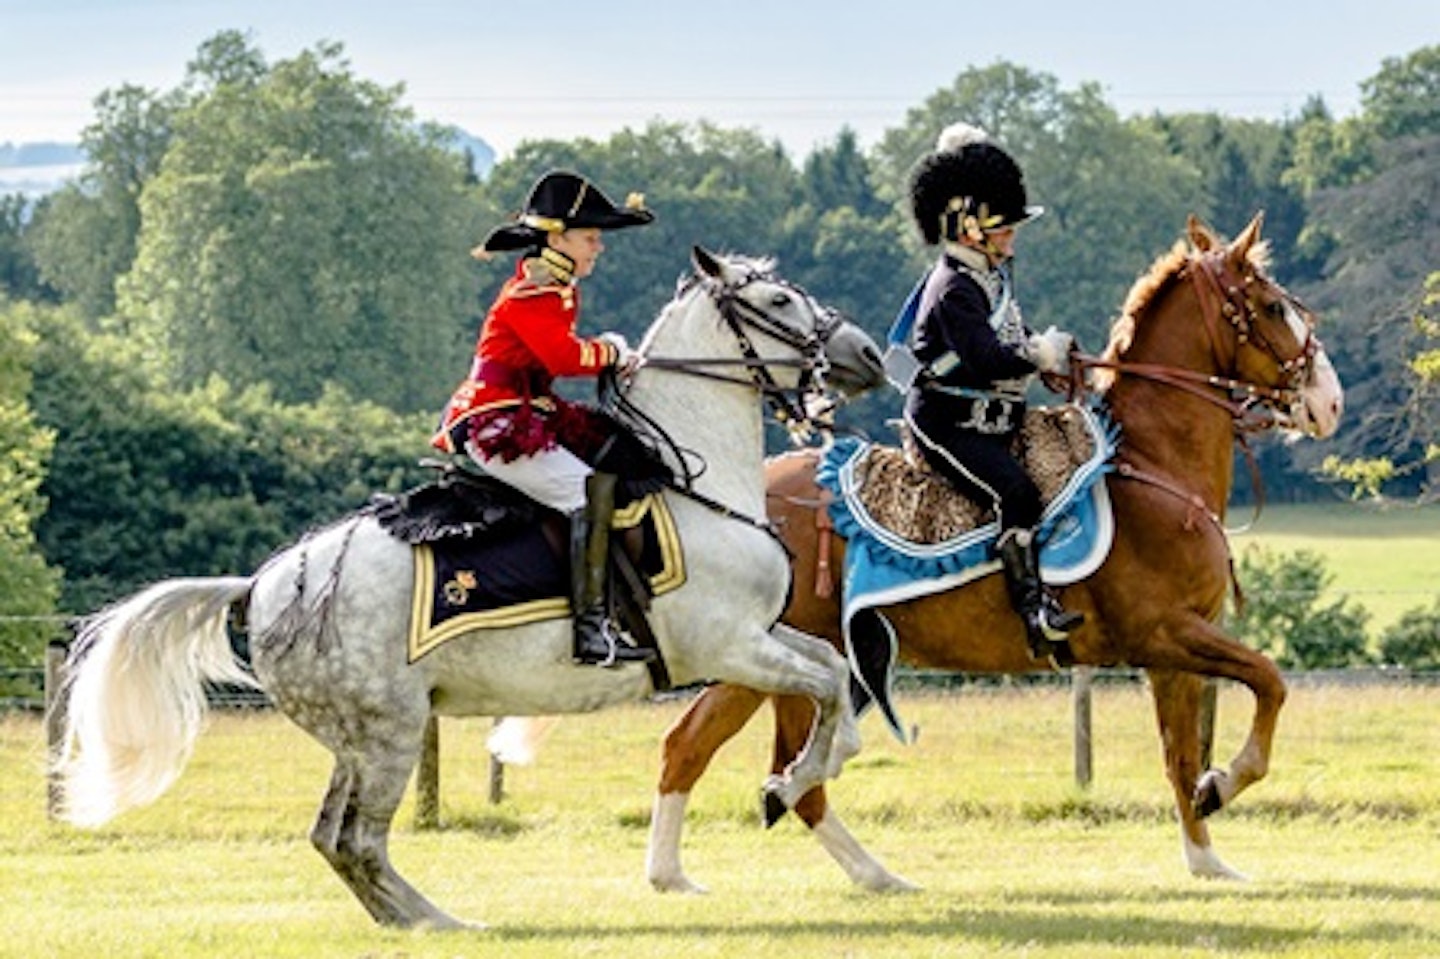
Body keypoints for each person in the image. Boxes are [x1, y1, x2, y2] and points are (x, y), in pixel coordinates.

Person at [433, 169, 656, 667]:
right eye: (590, 237)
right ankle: (590, 630)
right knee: (583, 494)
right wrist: (614, 352)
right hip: (496, 420)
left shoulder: (552, 285)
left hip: (524, 411)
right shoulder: (534, 293)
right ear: (557, 237)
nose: (599, 247)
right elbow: (562, 358)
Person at [900, 123, 1084, 661]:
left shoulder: (990, 278)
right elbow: (983, 359)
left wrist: (1049, 363)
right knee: (1017, 492)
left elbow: (1005, 346)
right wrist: (1037, 355)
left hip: (993, 420)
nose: (1013, 235)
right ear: (971, 229)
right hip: (947, 426)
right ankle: (1031, 608)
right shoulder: (954, 288)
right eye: (1004, 227)